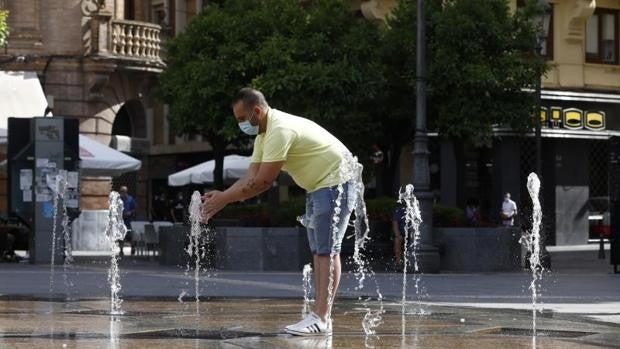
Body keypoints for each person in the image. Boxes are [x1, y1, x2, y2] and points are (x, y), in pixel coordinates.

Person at [203, 88, 359, 336]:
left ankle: (322, 318)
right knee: (320, 250)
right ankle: (318, 315)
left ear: (257, 111)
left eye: (242, 119)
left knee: (328, 249)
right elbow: (250, 176)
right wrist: (223, 196)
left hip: (336, 181)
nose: (241, 124)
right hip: (319, 185)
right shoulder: (263, 136)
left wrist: (225, 200)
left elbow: (263, 182)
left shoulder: (279, 129)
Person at [119, 186, 137, 256]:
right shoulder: (119, 200)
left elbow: (135, 208)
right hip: (121, 220)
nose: (122, 193)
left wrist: (130, 212)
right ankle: (121, 250)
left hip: (129, 220)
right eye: (121, 191)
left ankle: (132, 248)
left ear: (126, 192)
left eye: (123, 191)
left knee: (130, 236)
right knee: (121, 236)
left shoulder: (131, 199)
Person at [391, 204, 406, 270]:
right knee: (397, 240)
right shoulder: (399, 210)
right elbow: (395, 223)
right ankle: (398, 262)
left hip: (413, 234)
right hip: (402, 234)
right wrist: (398, 235)